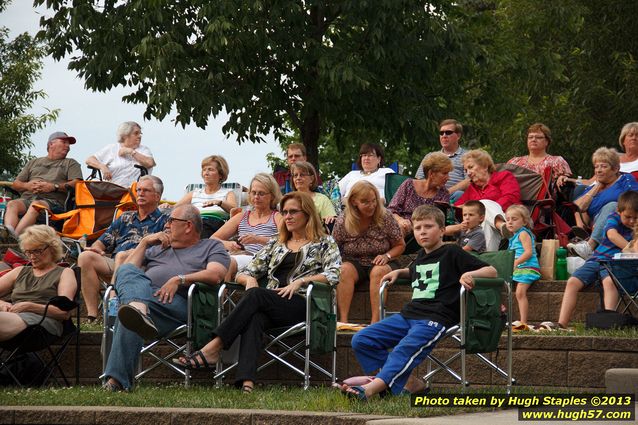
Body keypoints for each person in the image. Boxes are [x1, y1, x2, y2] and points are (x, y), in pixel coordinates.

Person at [175, 192, 341, 393]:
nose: (287, 216)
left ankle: (213, 347)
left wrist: (301, 282)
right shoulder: (276, 243)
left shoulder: (324, 242)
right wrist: (250, 279)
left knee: (256, 296)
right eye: (285, 212)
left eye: (293, 212)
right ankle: (247, 383)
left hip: (303, 304)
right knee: (255, 318)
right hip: (273, 303)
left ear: (307, 214)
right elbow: (244, 273)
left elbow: (333, 273)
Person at [337, 205, 496, 399]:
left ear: (442, 230)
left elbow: (491, 271)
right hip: (409, 315)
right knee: (362, 339)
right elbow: (415, 272)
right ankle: (408, 384)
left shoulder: (453, 252)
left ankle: (370, 390)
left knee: (404, 348)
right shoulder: (421, 256)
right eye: (418, 228)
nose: (422, 232)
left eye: (428, 226)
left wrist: (469, 275)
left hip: (436, 317)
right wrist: (399, 271)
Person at [102, 204, 230, 391]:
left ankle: (116, 381)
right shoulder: (157, 248)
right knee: (128, 280)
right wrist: (145, 242)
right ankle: (139, 310)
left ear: (188, 226)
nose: (166, 224)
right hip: (147, 300)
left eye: (171, 220)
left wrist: (179, 279)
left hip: (179, 305)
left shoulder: (211, 246)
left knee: (128, 311)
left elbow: (215, 275)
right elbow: (123, 273)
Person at [538, 191, 638, 331]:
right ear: (619, 211)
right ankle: (562, 323)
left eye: (636, 218)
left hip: (615, 264)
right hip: (597, 258)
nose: (632, 221)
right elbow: (612, 235)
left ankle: (608, 324)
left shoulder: (636, 229)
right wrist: (630, 249)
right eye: (628, 217)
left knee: (610, 282)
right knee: (573, 282)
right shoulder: (613, 217)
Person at [77, 175, 168, 322]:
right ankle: (92, 315)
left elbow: (164, 248)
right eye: (138, 190)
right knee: (85, 257)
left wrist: (133, 253)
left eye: (146, 190)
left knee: (123, 255)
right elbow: (101, 242)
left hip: (144, 266)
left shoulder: (165, 220)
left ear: (157, 196)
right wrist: (96, 249)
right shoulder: (126, 217)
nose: (140, 193)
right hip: (116, 263)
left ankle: (112, 300)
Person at [333, 181, 405, 324]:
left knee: (378, 272)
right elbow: (334, 247)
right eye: (365, 202)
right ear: (354, 202)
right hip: (354, 262)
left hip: (384, 260)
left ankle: (375, 323)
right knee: (344, 270)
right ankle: (343, 321)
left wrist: (387, 256)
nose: (372, 205)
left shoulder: (385, 216)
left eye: (374, 201)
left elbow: (400, 245)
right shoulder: (343, 220)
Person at [0, 225, 77, 341]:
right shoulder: (20, 271)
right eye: (28, 252)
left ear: (52, 248)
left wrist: (29, 306)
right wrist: (2, 304)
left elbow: (63, 313)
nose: (32, 257)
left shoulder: (65, 273)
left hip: (42, 323)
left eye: (37, 251)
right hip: (12, 317)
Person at [3, 132, 83, 236]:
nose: (67, 146)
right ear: (51, 144)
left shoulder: (70, 163)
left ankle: (14, 237)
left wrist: (54, 187)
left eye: (68, 144)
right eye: (64, 142)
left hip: (53, 203)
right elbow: (16, 184)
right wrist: (27, 186)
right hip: (28, 199)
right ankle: (7, 234)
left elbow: (78, 184)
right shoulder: (33, 162)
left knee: (36, 205)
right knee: (12, 204)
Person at [567, 148, 638, 259]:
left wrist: (605, 218)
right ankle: (583, 241)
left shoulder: (625, 179)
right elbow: (579, 207)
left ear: (615, 169)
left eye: (604, 166)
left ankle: (589, 247)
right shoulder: (593, 187)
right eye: (596, 167)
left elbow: (633, 199)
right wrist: (596, 187)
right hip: (594, 224)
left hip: (620, 219)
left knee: (612, 205)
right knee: (579, 210)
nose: (598, 170)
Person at [211, 173, 282, 281]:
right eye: (253, 193)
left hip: (261, 259)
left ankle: (221, 297)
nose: (256, 197)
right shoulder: (242, 216)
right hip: (238, 256)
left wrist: (258, 239)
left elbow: (285, 241)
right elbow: (213, 239)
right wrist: (229, 244)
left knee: (226, 261)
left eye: (261, 193)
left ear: (272, 196)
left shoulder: (277, 217)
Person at [454, 149, 521, 251]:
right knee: (484, 222)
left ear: (485, 166)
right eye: (466, 170)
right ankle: (489, 259)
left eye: (471, 167)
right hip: (486, 227)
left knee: (480, 205)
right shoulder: (471, 189)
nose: (468, 173)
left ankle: (500, 223)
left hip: (509, 219)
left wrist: (485, 207)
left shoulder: (504, 176)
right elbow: (458, 208)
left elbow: (511, 197)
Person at [163, 155, 237, 238]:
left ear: (221, 174)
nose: (206, 173)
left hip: (214, 224)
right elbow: (175, 208)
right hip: (193, 224)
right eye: (204, 170)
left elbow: (235, 211)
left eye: (210, 169)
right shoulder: (194, 193)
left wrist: (220, 203)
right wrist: (167, 206)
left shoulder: (227, 193)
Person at [388, 152, 451, 236]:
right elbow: (391, 210)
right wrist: (400, 220)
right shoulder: (409, 184)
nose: (448, 177)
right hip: (402, 226)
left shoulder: (443, 193)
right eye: (444, 173)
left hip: (424, 232)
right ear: (431, 173)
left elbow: (439, 221)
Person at [85, 121, 155, 187]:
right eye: (136, 133)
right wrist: (102, 166)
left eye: (140, 133)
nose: (139, 136)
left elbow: (150, 163)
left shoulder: (144, 149)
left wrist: (131, 152)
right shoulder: (112, 148)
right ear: (125, 135)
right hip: (113, 191)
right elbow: (89, 160)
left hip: (135, 193)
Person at [505, 205, 540, 332]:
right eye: (507, 219)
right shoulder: (513, 237)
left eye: (514, 219)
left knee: (520, 292)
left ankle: (523, 321)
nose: (509, 222)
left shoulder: (523, 233)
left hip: (527, 267)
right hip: (518, 267)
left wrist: (515, 262)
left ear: (524, 221)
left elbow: (528, 252)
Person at [414, 119, 469, 200]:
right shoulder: (430, 157)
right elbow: (419, 180)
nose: (444, 135)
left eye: (448, 132)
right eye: (441, 133)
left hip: (452, 197)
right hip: (428, 196)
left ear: (458, 136)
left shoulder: (467, 156)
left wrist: (445, 193)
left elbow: (469, 181)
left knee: (459, 194)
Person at [508, 123, 572, 186]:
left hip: (546, 196)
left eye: (538, 137)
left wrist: (563, 178)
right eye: (530, 137)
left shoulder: (556, 161)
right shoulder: (515, 162)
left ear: (547, 141)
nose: (533, 139)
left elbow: (567, 184)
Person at [290, 161, 337, 225]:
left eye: (302, 175)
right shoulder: (288, 199)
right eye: (295, 175)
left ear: (311, 179)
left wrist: (330, 218)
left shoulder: (322, 199)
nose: (298, 178)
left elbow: (331, 222)